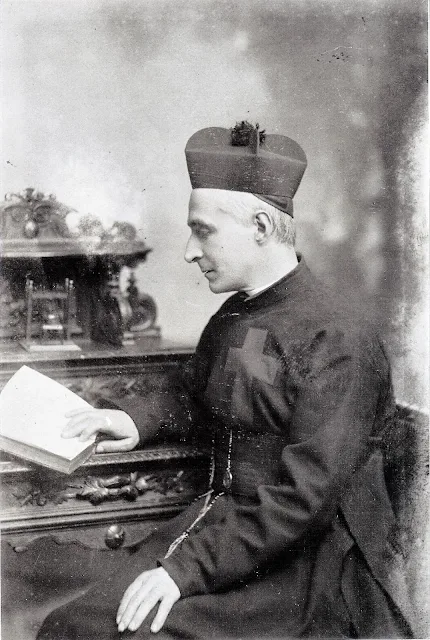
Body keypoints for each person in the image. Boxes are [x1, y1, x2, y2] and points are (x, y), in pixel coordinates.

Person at [9, 122, 415, 639]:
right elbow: (196, 394)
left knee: (123, 634)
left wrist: (184, 571)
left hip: (305, 565)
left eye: (203, 231)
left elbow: (305, 499)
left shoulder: (339, 339)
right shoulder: (236, 314)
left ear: (261, 227)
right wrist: (133, 420)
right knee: (75, 623)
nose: (189, 251)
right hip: (224, 528)